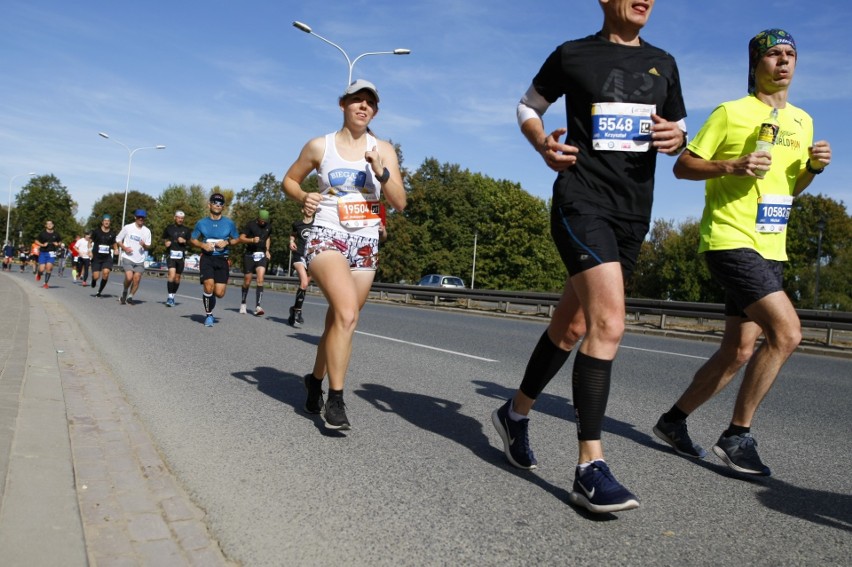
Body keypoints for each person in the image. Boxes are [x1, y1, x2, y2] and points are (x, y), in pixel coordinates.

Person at [490, 0, 687, 514]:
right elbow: (527, 106)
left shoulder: (664, 63)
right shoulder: (573, 54)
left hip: (634, 211)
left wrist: (676, 136)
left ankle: (515, 413)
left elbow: (680, 129)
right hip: (582, 200)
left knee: (572, 325)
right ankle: (589, 468)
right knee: (610, 323)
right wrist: (541, 144)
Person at [652, 29, 831, 477]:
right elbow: (682, 166)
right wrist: (731, 164)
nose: (784, 62)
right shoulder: (731, 113)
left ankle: (673, 422)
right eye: (774, 54)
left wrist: (811, 168)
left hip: (772, 245)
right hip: (731, 239)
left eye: (791, 54)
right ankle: (737, 436)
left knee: (737, 350)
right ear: (756, 63)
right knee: (787, 334)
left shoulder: (803, 121)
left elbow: (790, 188)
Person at [283, 79, 406, 430]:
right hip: (326, 235)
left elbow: (399, 202)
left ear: (375, 111)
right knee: (348, 315)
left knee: (340, 321)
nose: (363, 106)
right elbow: (289, 180)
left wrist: (381, 170)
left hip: (365, 241)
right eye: (356, 100)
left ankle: (315, 381)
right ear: (343, 105)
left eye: (370, 102)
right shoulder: (319, 146)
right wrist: (302, 196)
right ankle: (335, 400)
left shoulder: (383, 149)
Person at [190, 193, 240, 327]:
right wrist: (202, 245)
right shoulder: (201, 223)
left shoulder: (229, 223)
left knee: (219, 293)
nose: (217, 205)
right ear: (209, 205)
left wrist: (227, 242)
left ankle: (209, 299)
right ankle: (209, 315)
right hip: (206, 258)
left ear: (223, 207)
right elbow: (193, 239)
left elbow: (237, 238)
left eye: (220, 203)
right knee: (208, 285)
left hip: (222, 259)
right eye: (215, 202)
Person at [238, 209, 272, 316]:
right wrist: (252, 240)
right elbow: (241, 238)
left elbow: (268, 238)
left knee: (260, 279)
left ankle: (258, 306)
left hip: (261, 255)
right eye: (261, 220)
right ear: (258, 218)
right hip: (250, 255)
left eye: (265, 221)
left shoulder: (268, 226)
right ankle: (243, 303)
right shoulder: (250, 225)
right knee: (247, 281)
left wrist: (267, 250)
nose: (263, 222)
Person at [116, 209, 152, 305]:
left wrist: (144, 245)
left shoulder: (147, 231)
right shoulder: (128, 227)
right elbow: (118, 239)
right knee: (129, 277)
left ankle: (130, 296)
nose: (141, 219)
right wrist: (124, 247)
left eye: (142, 217)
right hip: (128, 257)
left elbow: (148, 245)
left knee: (137, 278)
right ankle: (124, 291)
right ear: (135, 217)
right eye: (139, 217)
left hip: (139, 259)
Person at [287, 213, 313, 326]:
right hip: (299, 255)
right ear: (302, 210)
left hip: (312, 256)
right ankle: (298, 311)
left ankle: (294, 309)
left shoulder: (317, 224)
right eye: (307, 207)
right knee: (304, 282)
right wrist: (291, 241)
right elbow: (293, 235)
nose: (309, 209)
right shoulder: (297, 224)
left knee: (305, 284)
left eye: (312, 208)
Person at [162, 210, 192, 307]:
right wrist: (166, 243)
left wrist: (184, 241)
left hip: (180, 256)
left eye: (182, 218)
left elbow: (191, 243)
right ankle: (170, 297)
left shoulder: (186, 230)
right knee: (171, 274)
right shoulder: (169, 228)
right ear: (175, 217)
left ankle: (173, 296)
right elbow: (163, 238)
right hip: (171, 255)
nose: (180, 220)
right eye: (178, 218)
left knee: (177, 278)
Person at [90, 214, 118, 297]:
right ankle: (94, 280)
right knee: (96, 276)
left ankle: (99, 292)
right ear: (102, 222)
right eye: (105, 221)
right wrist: (89, 251)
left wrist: (116, 249)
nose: (106, 222)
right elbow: (90, 241)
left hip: (107, 257)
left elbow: (114, 243)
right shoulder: (96, 232)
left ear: (110, 222)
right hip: (96, 257)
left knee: (106, 273)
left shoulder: (112, 233)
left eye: (108, 221)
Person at [35, 220, 63, 288]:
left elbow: (60, 241)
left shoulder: (56, 234)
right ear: (46, 225)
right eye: (48, 224)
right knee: (41, 269)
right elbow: (36, 241)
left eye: (51, 224)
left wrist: (58, 244)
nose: (49, 225)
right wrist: (42, 245)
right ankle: (39, 273)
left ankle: (46, 283)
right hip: (43, 252)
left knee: (49, 268)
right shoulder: (42, 233)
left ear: (53, 225)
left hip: (51, 253)